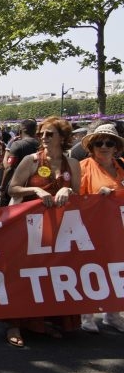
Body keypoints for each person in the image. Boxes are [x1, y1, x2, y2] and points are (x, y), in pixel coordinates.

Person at [4, 117, 81, 346]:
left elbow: (77, 194)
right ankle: (14, 325)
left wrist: (67, 189)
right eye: (42, 134)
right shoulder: (32, 160)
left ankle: (41, 322)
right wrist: (36, 189)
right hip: (29, 229)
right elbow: (11, 188)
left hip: (58, 230)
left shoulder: (73, 164)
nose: (44, 138)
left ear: (63, 138)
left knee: (48, 274)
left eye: (49, 134)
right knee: (22, 275)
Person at [77, 123, 124, 333]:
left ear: (116, 146)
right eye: (99, 142)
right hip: (91, 229)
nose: (103, 146)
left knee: (116, 271)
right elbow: (75, 198)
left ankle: (112, 314)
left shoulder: (122, 166)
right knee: (91, 271)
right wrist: (97, 197)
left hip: (118, 230)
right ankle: (87, 315)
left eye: (109, 142)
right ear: (92, 146)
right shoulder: (84, 166)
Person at [0, 118, 39, 206]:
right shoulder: (41, 144)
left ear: (20, 131)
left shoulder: (17, 144)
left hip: (17, 186)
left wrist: (2, 188)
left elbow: (9, 168)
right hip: (36, 185)